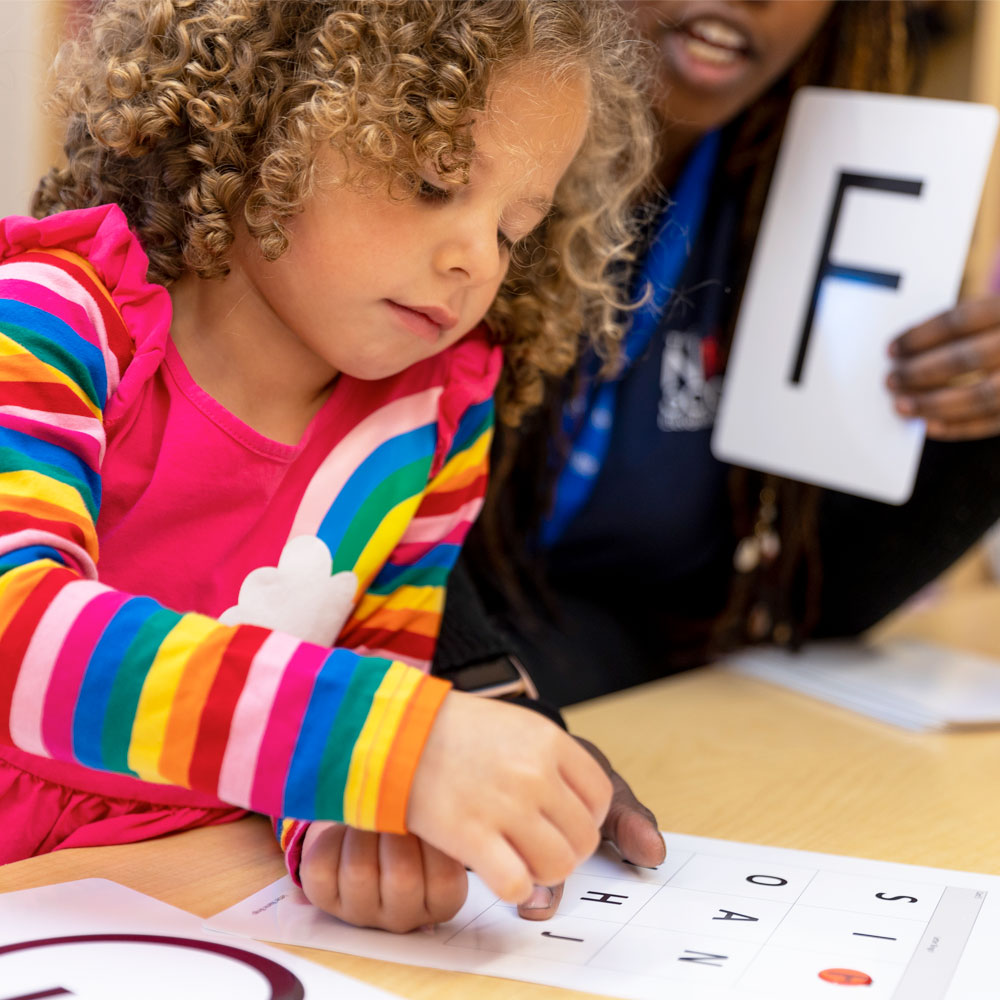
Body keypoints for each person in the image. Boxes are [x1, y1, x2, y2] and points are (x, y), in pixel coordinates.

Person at [0, 0, 659, 932]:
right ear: (268, 119)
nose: (476, 257)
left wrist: (349, 828)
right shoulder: (53, 320)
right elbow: (16, 637)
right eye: (434, 182)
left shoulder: (433, 421)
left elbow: (373, 662)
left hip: (191, 898)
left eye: (514, 229)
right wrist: (394, 745)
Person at [439, 0, 1000, 792]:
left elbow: (813, 601)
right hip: (410, 723)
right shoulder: (437, 144)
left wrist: (979, 436)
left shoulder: (817, 189)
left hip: (643, 749)